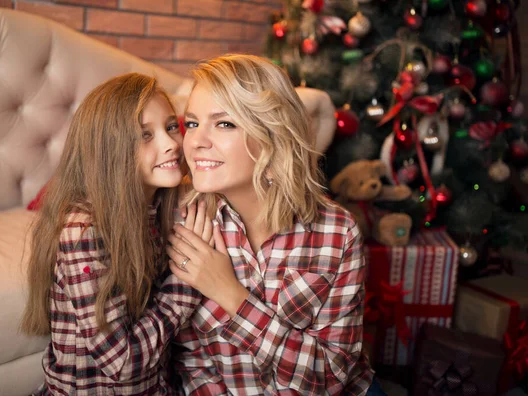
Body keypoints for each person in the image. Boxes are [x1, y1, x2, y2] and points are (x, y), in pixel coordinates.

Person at [166, 54, 379, 395]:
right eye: (192, 123)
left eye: (224, 124)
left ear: (273, 137)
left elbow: (331, 376)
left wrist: (230, 295)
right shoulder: (185, 222)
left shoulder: (337, 232)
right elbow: (191, 363)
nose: (196, 141)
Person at [20, 73, 207, 395]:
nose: (171, 144)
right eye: (145, 135)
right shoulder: (84, 231)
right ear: (111, 150)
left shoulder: (158, 203)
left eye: (171, 126)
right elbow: (121, 363)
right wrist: (189, 279)